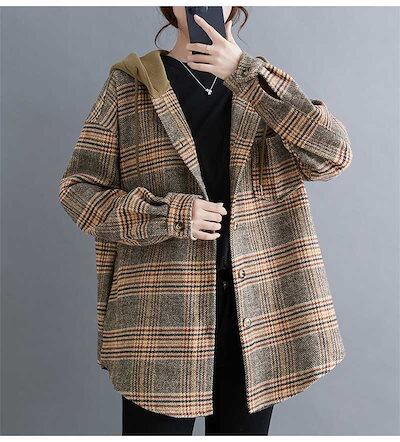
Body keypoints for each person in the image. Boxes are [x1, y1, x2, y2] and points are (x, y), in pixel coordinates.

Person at [59, 5, 352, 436]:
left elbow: (333, 156)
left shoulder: (264, 88)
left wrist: (245, 74)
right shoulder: (130, 85)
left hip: (256, 317)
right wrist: (170, 215)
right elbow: (79, 191)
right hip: (160, 318)